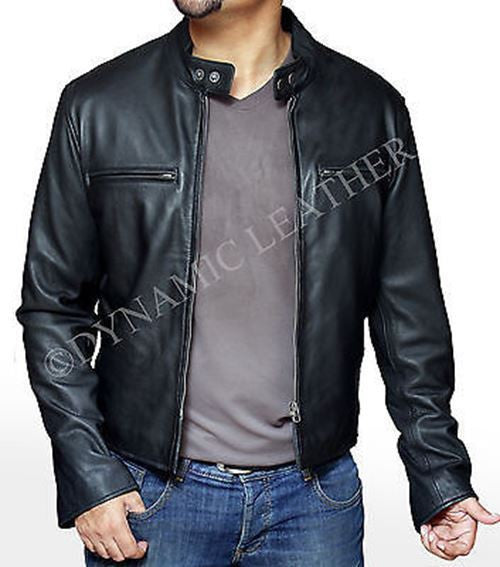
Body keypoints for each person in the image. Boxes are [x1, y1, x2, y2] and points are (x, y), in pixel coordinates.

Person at [17, 1, 499, 565]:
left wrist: (438, 473)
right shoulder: (101, 104)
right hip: (150, 498)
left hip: (314, 504)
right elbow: (53, 309)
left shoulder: (369, 109)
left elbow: (407, 312)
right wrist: (90, 474)